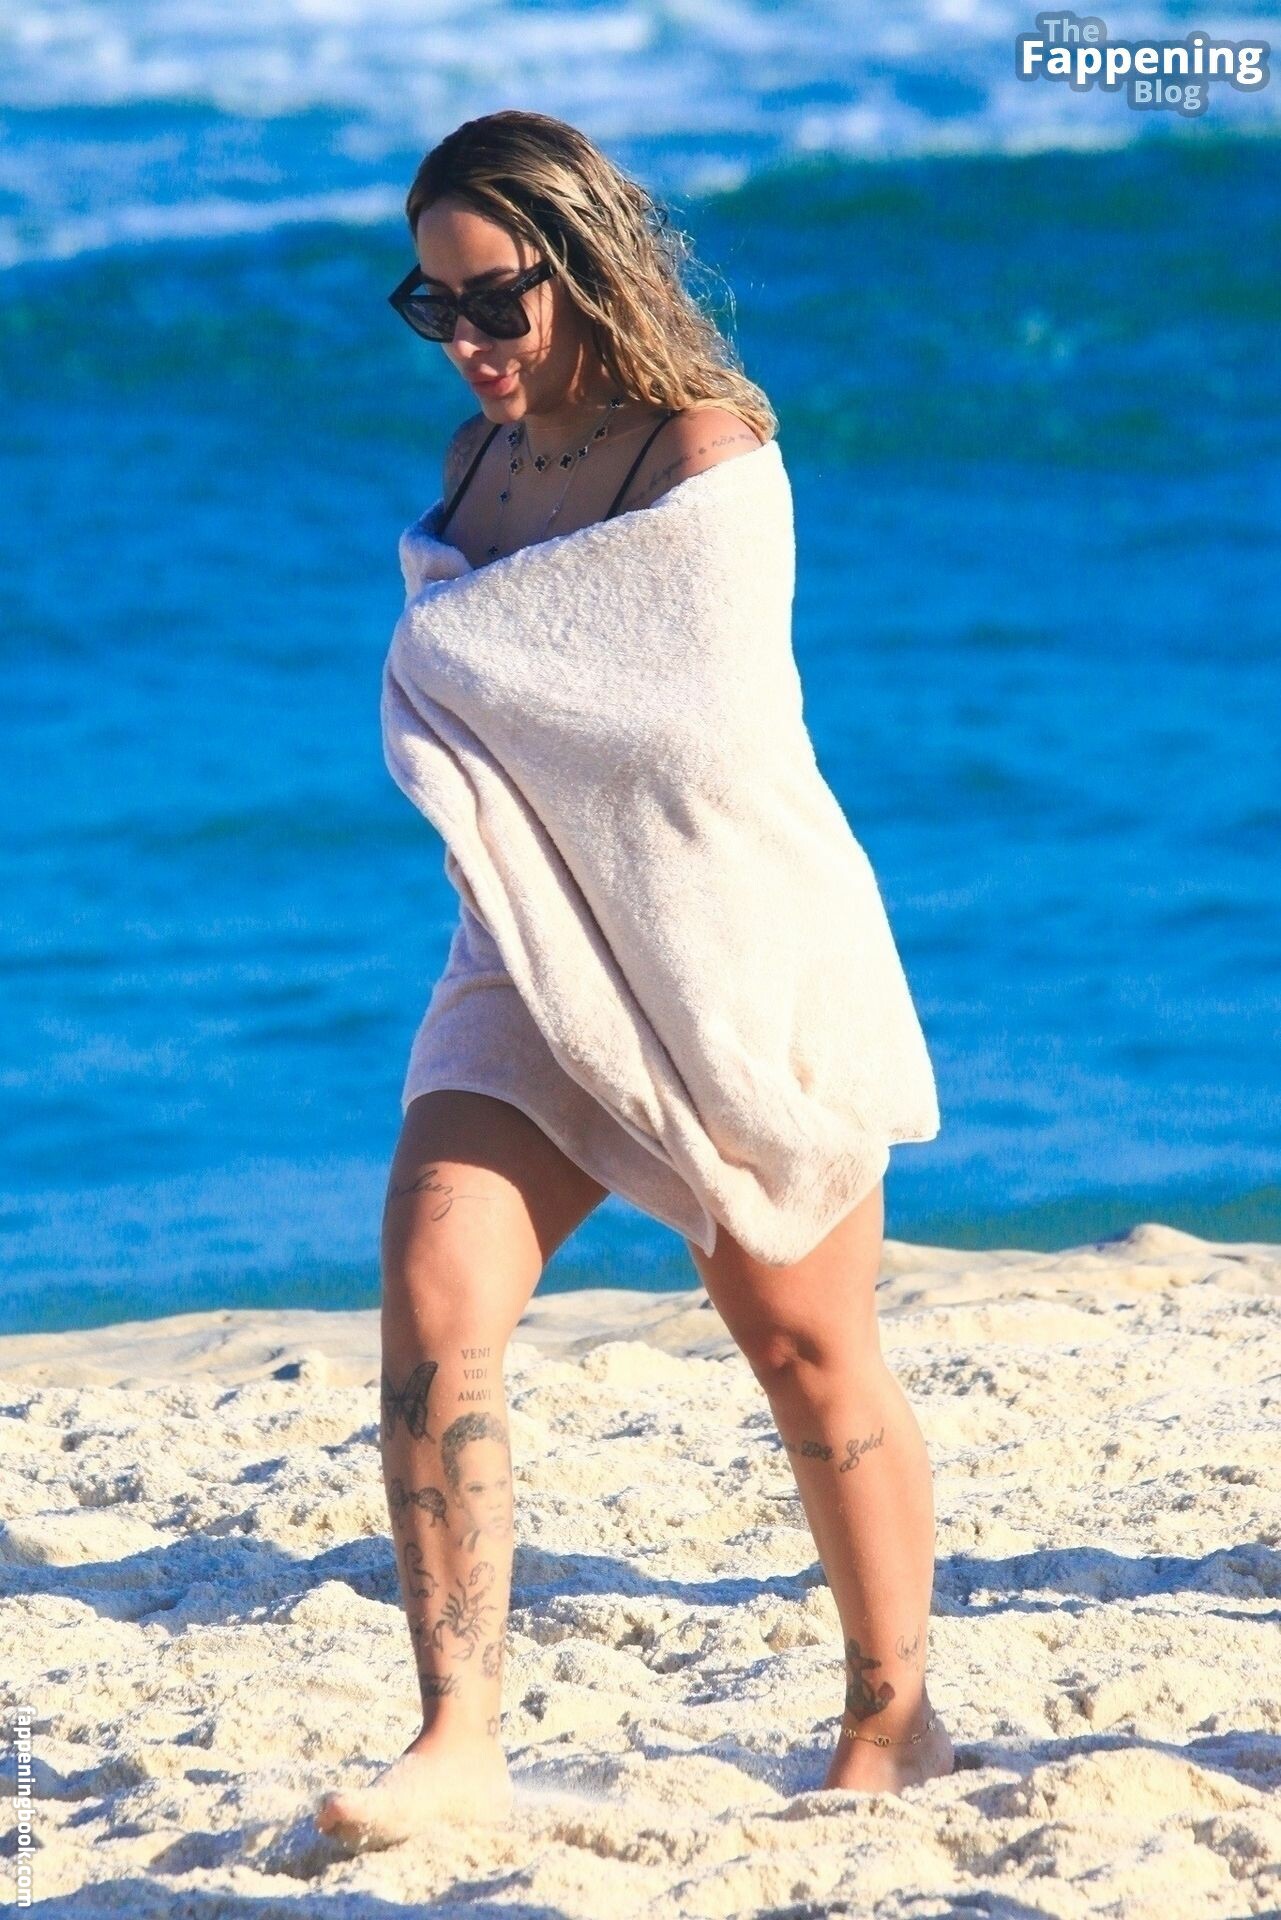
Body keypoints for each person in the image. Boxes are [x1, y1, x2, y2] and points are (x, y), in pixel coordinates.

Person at [315, 108, 952, 1851]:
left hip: (726, 937)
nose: (466, 341)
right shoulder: (474, 464)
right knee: (435, 1285)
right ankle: (457, 1735)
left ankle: (894, 1722)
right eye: (432, 306)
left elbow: (692, 723)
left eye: (493, 301)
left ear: (581, 266)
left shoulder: (704, 455)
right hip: (530, 946)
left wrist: (479, 661)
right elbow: (484, 687)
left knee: (804, 1348)